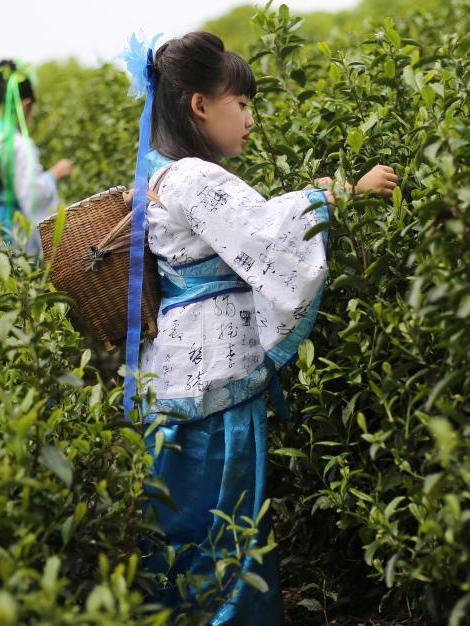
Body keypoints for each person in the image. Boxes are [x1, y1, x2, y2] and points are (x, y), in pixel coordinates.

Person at [126, 32, 398, 624]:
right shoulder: (193, 177)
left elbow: (253, 222)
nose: (250, 117)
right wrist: (345, 194)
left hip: (180, 381)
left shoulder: (164, 174)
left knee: (184, 526)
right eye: (241, 104)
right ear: (200, 105)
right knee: (225, 526)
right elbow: (267, 234)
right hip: (213, 389)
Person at [0, 59, 73, 256]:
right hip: (8, 237)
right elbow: (33, 198)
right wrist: (53, 175)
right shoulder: (18, 145)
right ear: (26, 105)